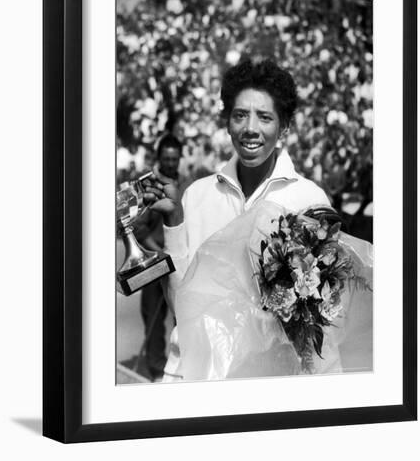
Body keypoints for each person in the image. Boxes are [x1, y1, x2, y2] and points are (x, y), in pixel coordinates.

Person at [144, 58, 372, 381]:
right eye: (240, 115)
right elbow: (181, 304)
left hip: (274, 385)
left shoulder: (309, 199)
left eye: (264, 117)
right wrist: (174, 223)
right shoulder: (197, 196)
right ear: (227, 122)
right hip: (199, 377)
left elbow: (326, 319)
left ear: (285, 127)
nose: (250, 128)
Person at [123, 134, 190, 381]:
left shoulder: (186, 184)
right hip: (155, 262)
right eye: (166, 158)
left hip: (181, 265)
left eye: (174, 159)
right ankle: (155, 373)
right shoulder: (147, 185)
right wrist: (160, 254)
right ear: (159, 158)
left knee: (182, 319)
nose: (170, 163)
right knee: (153, 319)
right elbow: (136, 227)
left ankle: (179, 370)